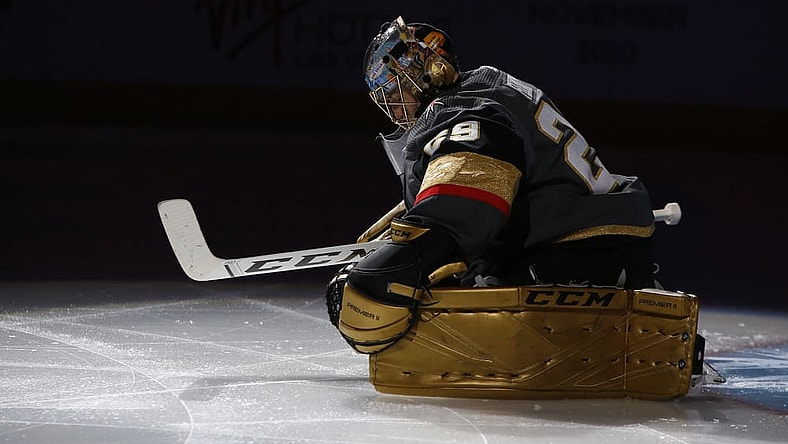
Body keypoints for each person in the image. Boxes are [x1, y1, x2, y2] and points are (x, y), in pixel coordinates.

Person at [326, 16, 660, 354]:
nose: (394, 105)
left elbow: (465, 202)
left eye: (396, 87)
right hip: (612, 242)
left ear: (427, 71)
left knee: (442, 292)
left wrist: (407, 256)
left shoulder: (462, 109)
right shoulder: (489, 85)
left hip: (572, 252)